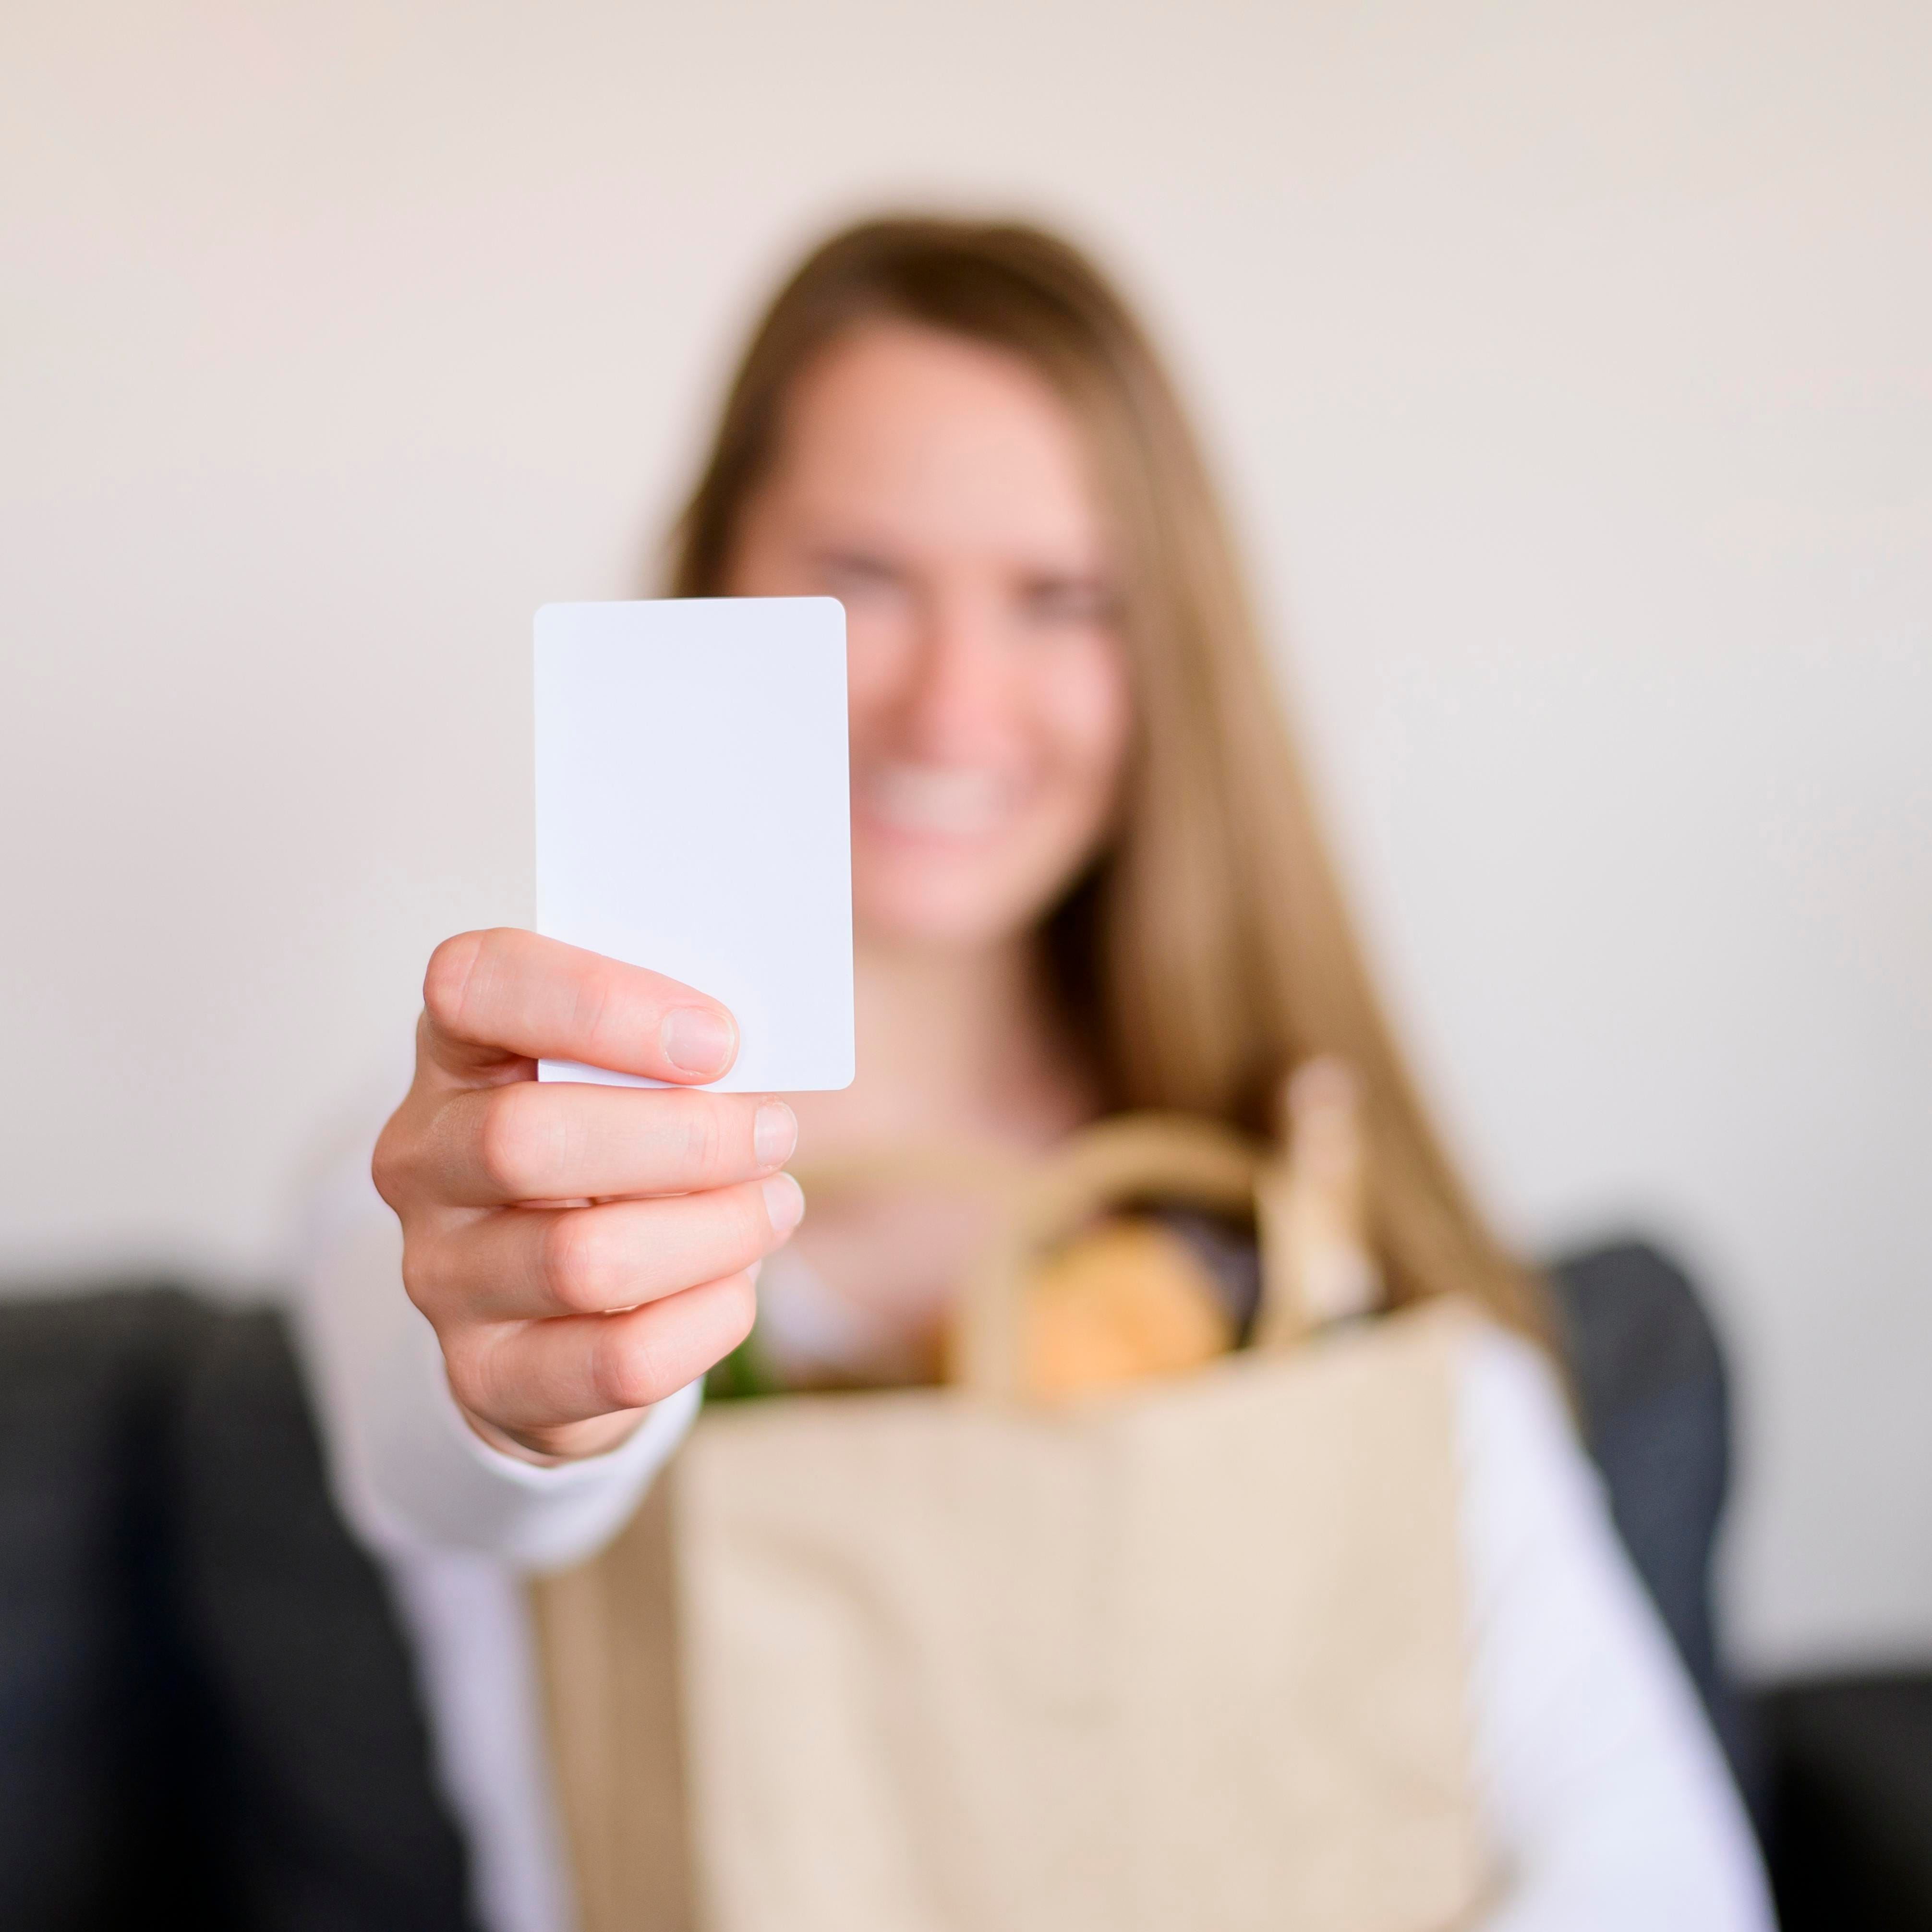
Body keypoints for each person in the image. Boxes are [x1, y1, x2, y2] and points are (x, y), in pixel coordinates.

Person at [297, 217, 1773, 1932]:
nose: (954, 705)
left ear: (1167, 667)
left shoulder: (1300, 1206)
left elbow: (1642, 1871)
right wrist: (539, 1389)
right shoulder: (482, 1175)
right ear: (711, 588)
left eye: (1063, 599)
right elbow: (462, 1471)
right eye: (864, 574)